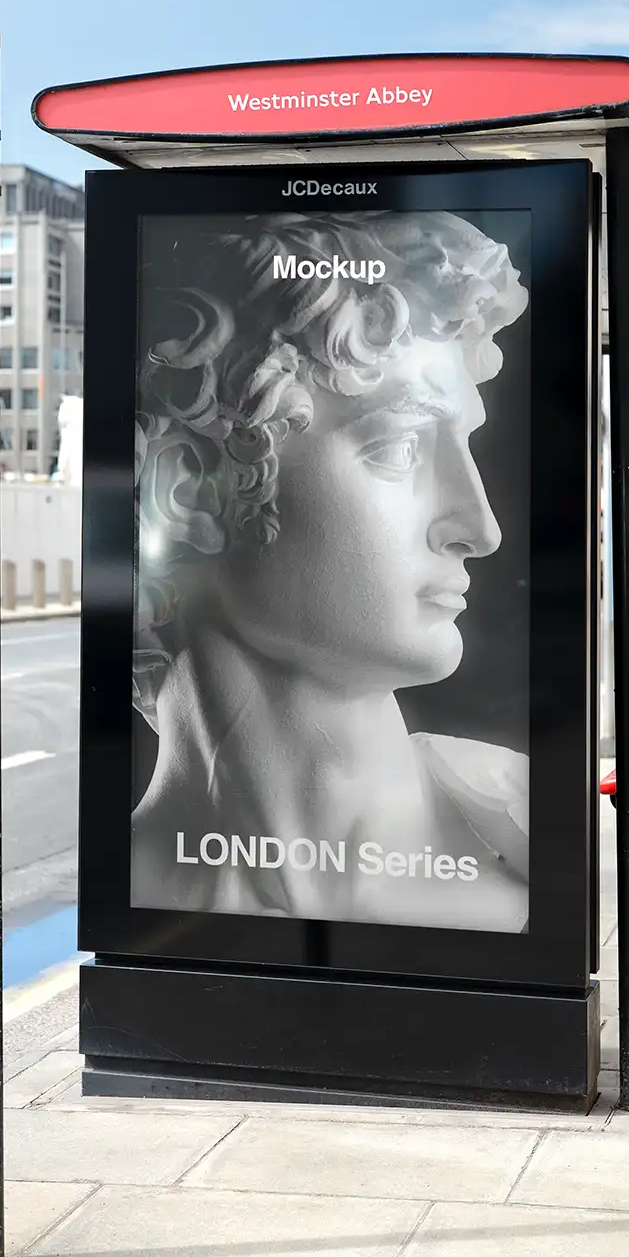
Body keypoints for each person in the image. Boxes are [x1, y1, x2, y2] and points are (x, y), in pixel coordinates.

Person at [130, 208, 530, 932]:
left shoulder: (519, 818)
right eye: (400, 449)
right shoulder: (133, 882)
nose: (480, 529)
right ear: (192, 490)